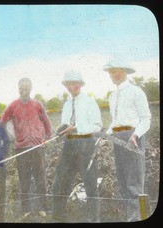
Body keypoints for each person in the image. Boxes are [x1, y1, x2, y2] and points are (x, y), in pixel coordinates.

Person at [103, 59, 151, 222]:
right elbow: (115, 121)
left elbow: (146, 118)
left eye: (114, 71)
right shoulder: (112, 96)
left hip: (132, 138)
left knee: (134, 181)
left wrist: (135, 135)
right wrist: (106, 134)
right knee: (123, 179)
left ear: (123, 72)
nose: (111, 75)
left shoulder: (136, 92)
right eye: (110, 72)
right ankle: (129, 217)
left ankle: (139, 217)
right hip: (117, 138)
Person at [52, 71, 102, 222]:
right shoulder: (67, 104)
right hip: (69, 146)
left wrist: (76, 128)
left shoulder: (89, 102)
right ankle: (58, 218)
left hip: (85, 145)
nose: (69, 87)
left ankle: (93, 219)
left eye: (72, 83)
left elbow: (98, 126)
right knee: (59, 182)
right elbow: (65, 125)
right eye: (67, 84)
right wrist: (60, 130)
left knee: (90, 184)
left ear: (80, 84)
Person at [0, 77, 52, 220]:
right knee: (24, 181)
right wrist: (9, 138)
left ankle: (44, 208)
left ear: (30, 89)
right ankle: (25, 211)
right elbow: (2, 122)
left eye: (26, 88)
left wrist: (47, 138)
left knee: (40, 179)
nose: (24, 90)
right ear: (18, 89)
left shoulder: (37, 104)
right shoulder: (12, 106)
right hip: (21, 149)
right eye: (21, 88)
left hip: (37, 148)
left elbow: (47, 122)